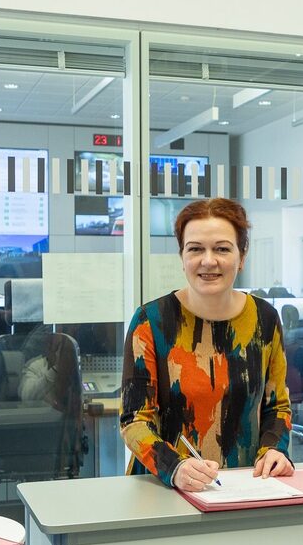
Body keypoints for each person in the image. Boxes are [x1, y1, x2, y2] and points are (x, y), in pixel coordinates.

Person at [120, 197, 293, 490]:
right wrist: (174, 467)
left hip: (246, 487)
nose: (208, 260)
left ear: (242, 256)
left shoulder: (265, 318)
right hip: (163, 487)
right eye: (196, 249)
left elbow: (277, 405)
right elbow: (134, 420)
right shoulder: (151, 321)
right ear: (182, 256)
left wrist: (275, 450)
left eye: (222, 249)